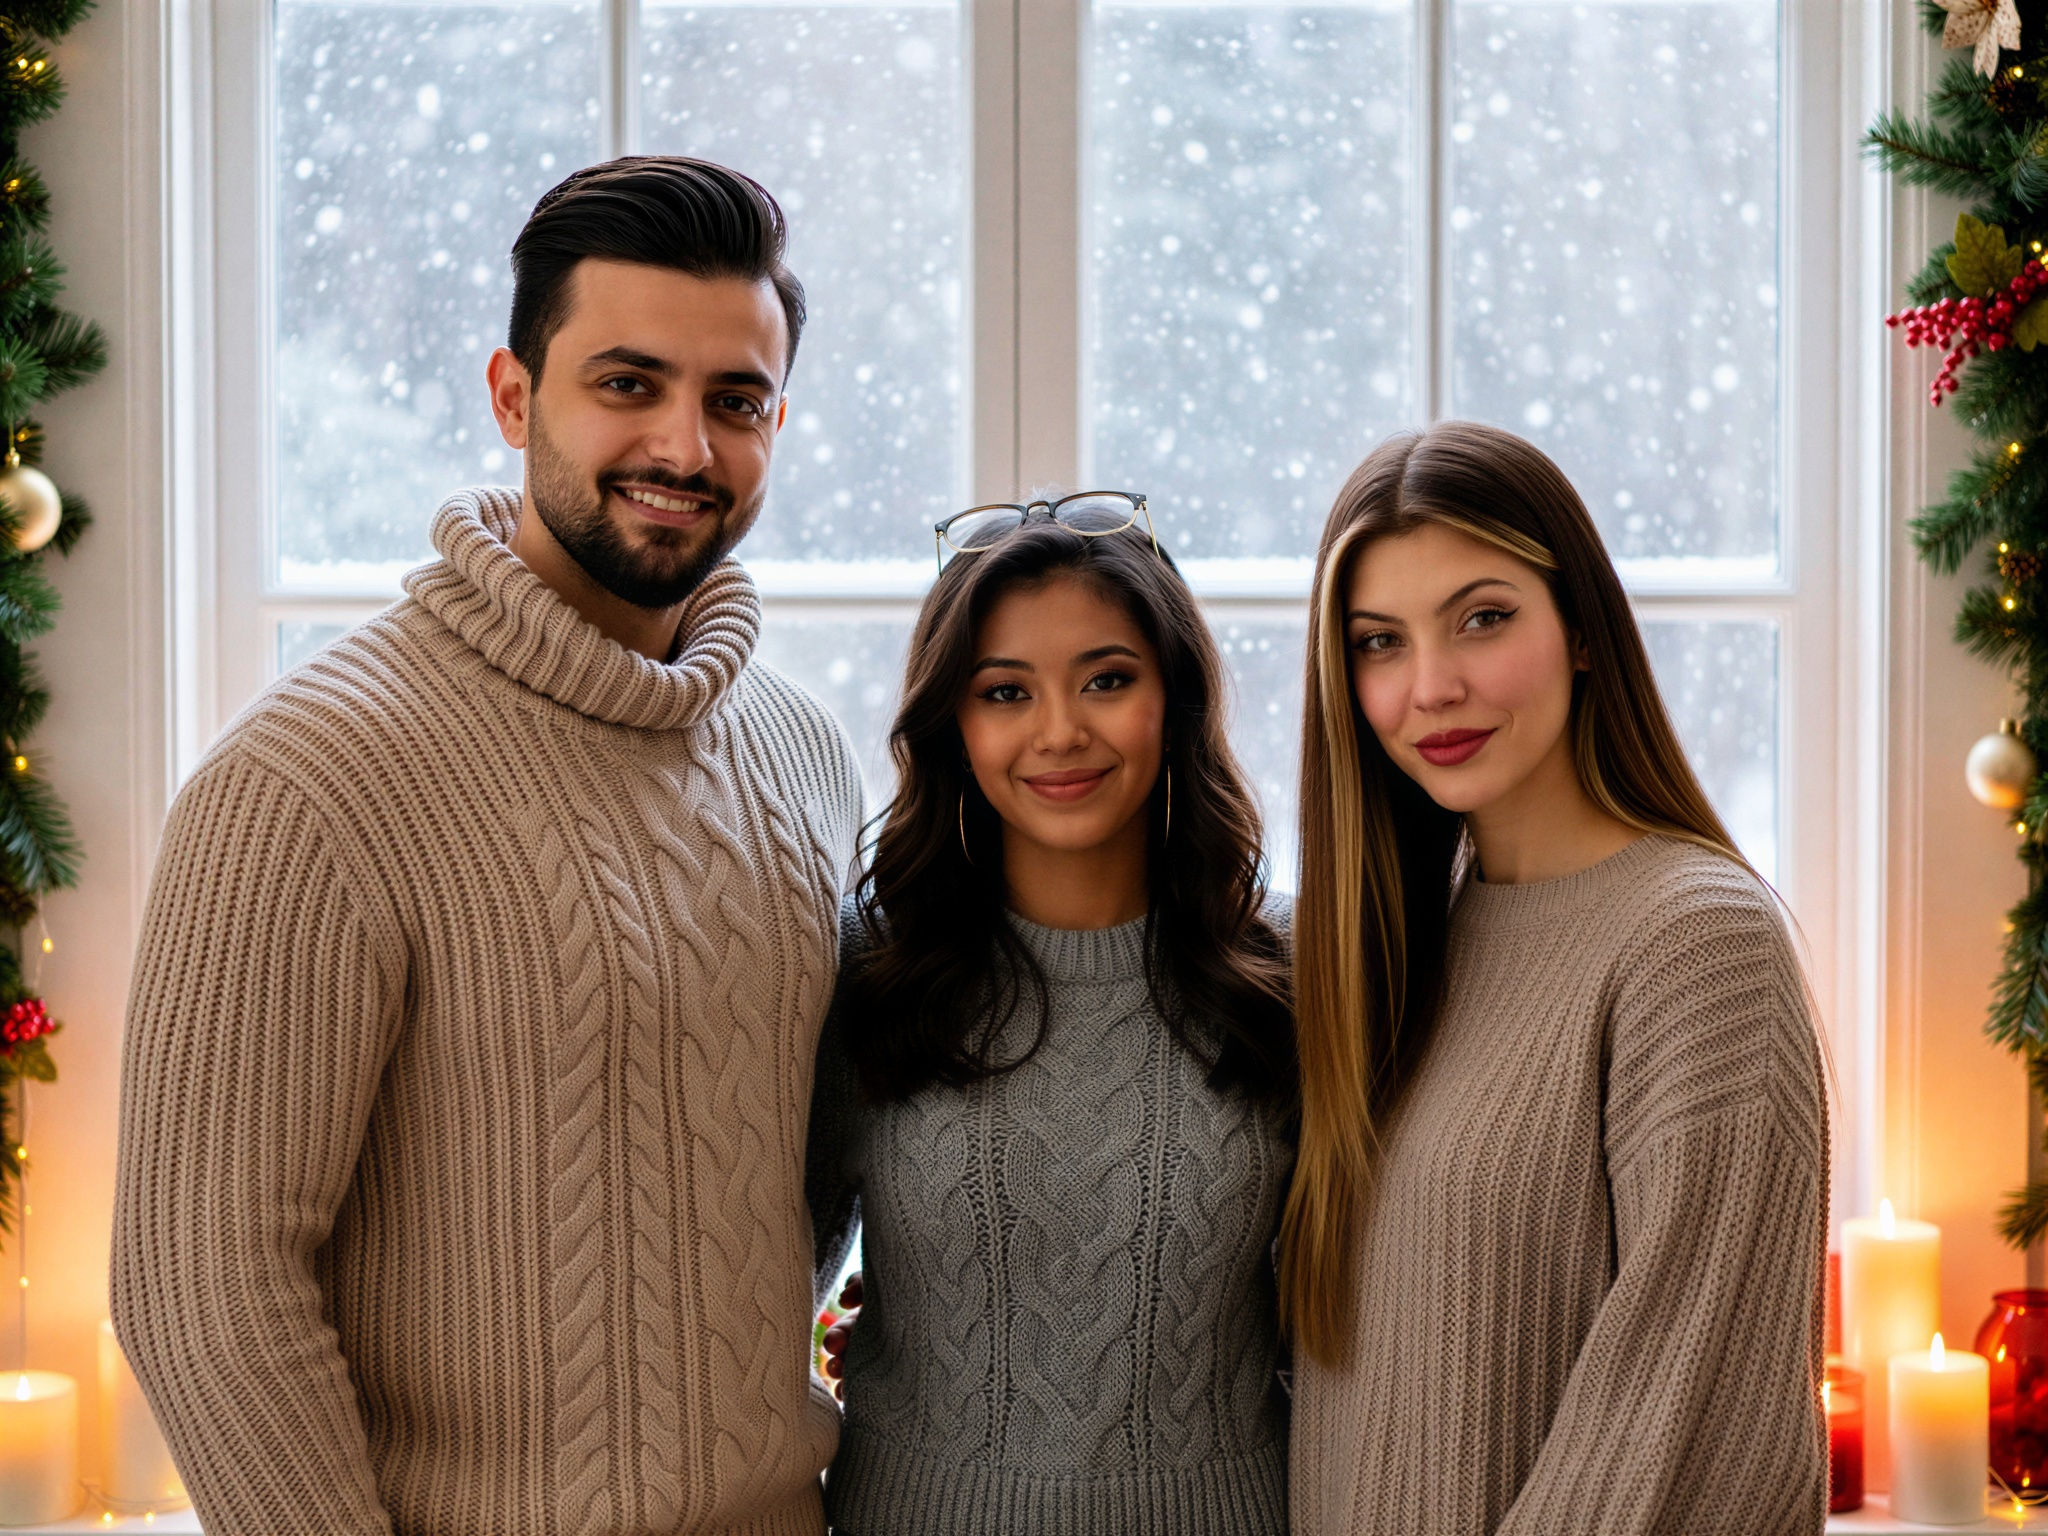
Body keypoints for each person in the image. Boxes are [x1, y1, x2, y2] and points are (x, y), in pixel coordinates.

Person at [110, 157, 862, 1536]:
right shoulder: (311, 777)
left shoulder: (808, 758)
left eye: (734, 401)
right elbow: (199, 1278)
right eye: (626, 384)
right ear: (514, 398)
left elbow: (790, 1197)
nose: (686, 449)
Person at [1282, 421, 1827, 1535]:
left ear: (1581, 629)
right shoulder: (1386, 950)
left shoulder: (1697, 947)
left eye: (1480, 619)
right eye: (1377, 642)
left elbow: (1689, 1430)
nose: (1429, 687)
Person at [807, 496, 1296, 1536]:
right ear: (953, 723)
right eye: (1004, 692)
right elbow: (753, 1303)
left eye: (1107, 680)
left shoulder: (1289, 973)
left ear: (1175, 696)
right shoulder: (866, 970)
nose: (1060, 732)